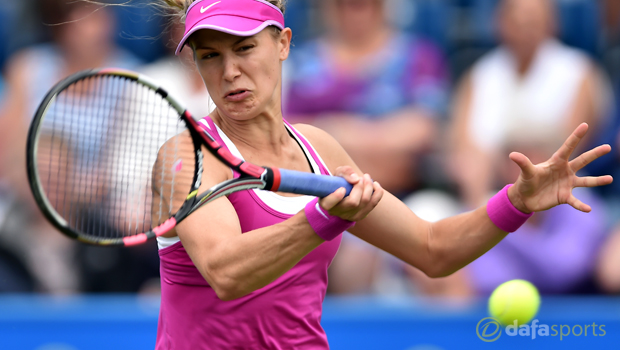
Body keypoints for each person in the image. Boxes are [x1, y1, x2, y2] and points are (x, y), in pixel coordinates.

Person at [154, 0, 612, 348]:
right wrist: (323, 219)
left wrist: (515, 203)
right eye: (209, 56)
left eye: (245, 47)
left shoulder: (319, 148)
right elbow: (227, 271)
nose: (230, 71)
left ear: (283, 43)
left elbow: (433, 250)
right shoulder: (187, 155)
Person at [449, 0, 612, 209]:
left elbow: (569, 145)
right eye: (515, 19)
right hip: (486, 191)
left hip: (558, 195)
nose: (524, 27)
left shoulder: (580, 73)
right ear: (499, 23)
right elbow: (462, 145)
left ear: (552, 23)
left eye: (533, 20)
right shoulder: (478, 76)